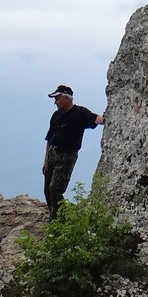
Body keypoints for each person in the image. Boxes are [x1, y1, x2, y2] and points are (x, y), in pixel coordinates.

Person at [42, 85, 105, 217]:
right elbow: (49, 139)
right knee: (47, 190)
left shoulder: (80, 113)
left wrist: (104, 118)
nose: (55, 102)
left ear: (67, 99)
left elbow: (95, 119)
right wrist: (45, 160)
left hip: (66, 156)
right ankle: (54, 216)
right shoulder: (56, 115)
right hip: (52, 154)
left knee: (55, 189)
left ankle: (60, 220)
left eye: (58, 99)